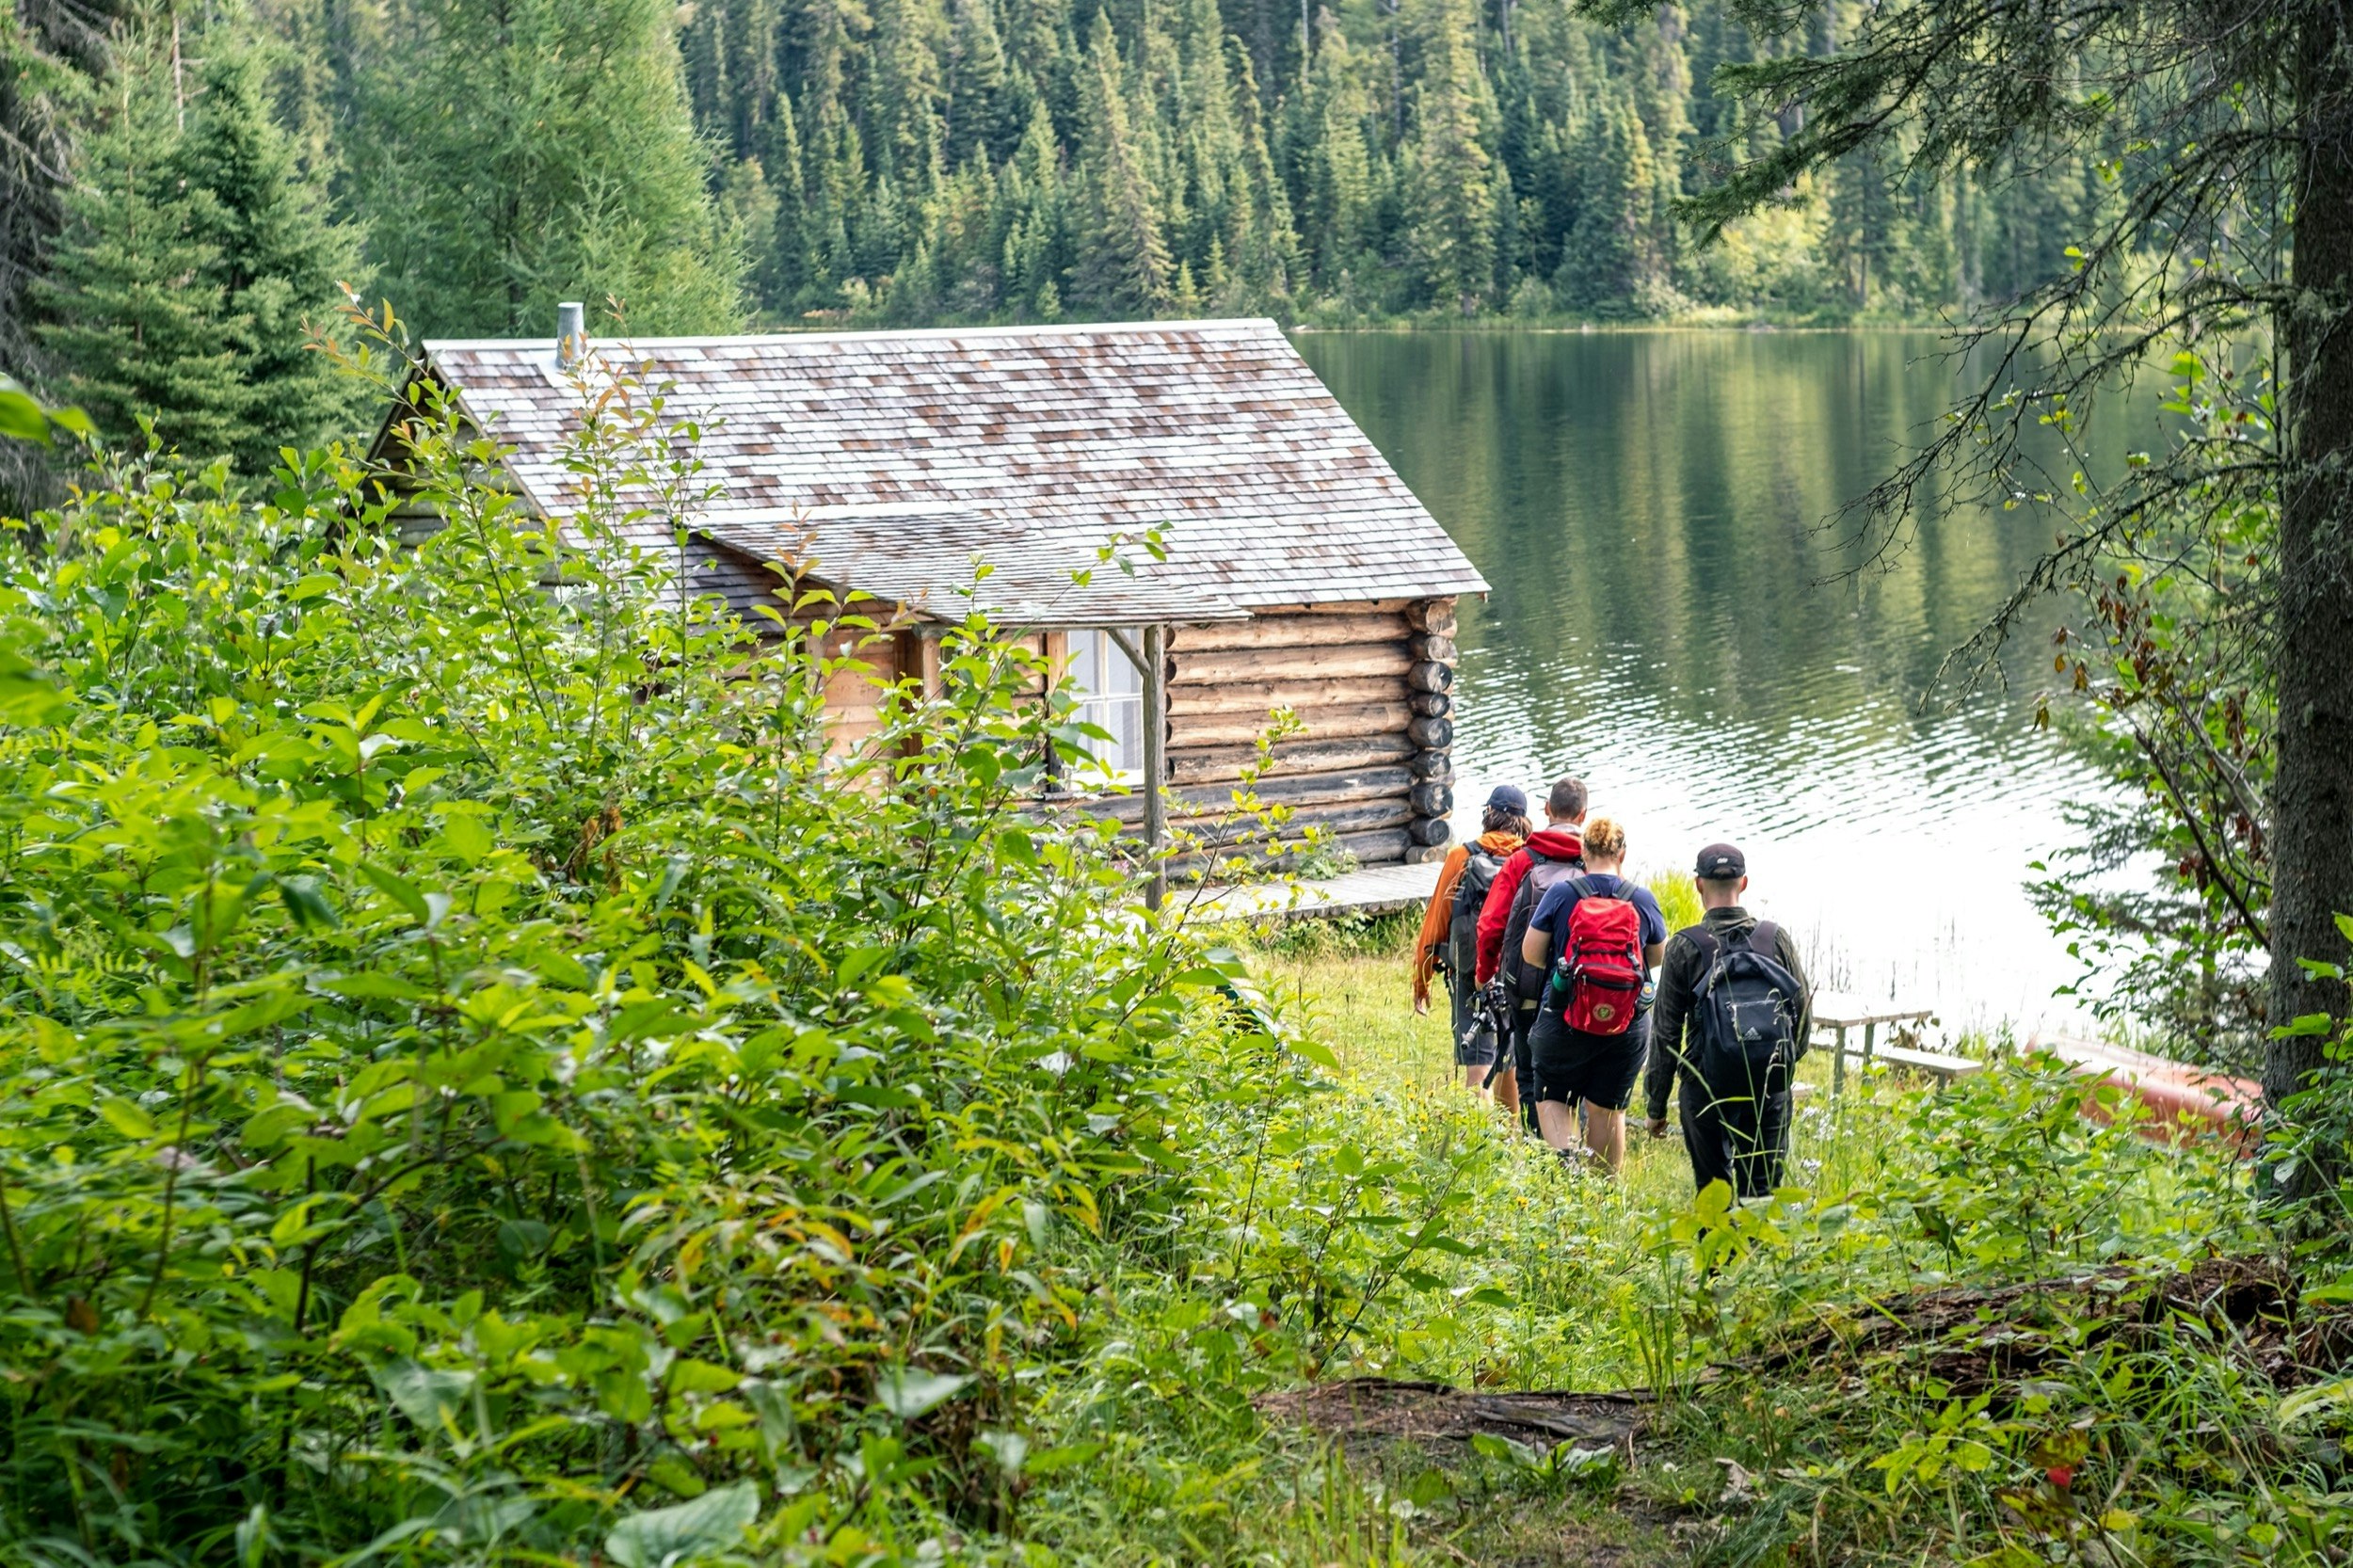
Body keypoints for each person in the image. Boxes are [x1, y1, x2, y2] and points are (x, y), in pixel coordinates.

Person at [1643, 842, 1815, 1199]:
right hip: (1768, 1086)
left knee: (1714, 1194)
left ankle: (1719, 1254)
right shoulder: (1775, 938)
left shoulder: (1685, 947)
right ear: (1745, 883)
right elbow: (1802, 1015)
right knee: (1762, 1193)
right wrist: (1780, 1066)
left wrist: (1656, 1108)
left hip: (1706, 1090)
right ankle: (1760, 1253)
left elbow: (1665, 1036)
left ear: (1698, 885)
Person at [1518, 816, 1666, 1173]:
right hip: (1625, 1024)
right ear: (1623, 854)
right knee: (1608, 1109)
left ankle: (1566, 1168)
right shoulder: (1642, 898)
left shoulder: (1562, 893)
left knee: (1552, 1097)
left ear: (1583, 852)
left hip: (1564, 1017)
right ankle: (1602, 1198)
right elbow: (1659, 957)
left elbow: (1531, 954)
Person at [1472, 776, 1588, 1129]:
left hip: (1524, 988)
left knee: (1529, 1075)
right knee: (1576, 1077)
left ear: (1547, 810)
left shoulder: (1522, 860)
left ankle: (1539, 1157)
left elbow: (1490, 926)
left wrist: (1485, 975)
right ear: (1583, 816)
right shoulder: (1592, 862)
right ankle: (1574, 1156)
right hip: (1578, 988)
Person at [1412, 785, 1531, 1102]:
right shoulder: (1532, 858)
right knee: (1512, 1062)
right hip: (1519, 972)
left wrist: (1421, 982)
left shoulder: (1461, 856)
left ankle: (1477, 1141)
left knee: (1478, 1066)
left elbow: (1436, 922)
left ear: (1488, 814)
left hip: (1470, 969)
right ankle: (1510, 1141)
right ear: (1523, 820)